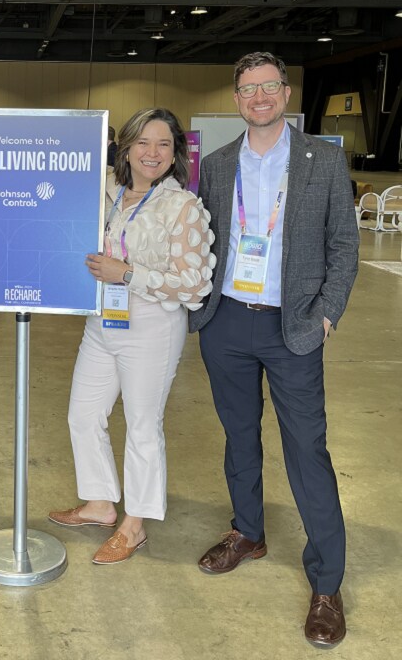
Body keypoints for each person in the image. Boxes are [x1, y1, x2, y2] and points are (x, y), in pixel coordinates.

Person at [189, 52, 359, 648]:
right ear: (236, 98)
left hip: (295, 328)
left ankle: (327, 583)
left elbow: (345, 245)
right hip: (227, 321)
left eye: (268, 86)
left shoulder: (324, 160)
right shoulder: (217, 165)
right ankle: (248, 532)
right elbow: (202, 240)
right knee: (239, 436)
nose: (258, 97)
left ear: (286, 93)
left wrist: (326, 315)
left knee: (307, 449)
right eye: (247, 89)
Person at [49, 108, 215, 564]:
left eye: (163, 144)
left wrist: (127, 274)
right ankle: (100, 503)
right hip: (102, 320)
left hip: (152, 326)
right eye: (142, 142)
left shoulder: (183, 207)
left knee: (143, 426)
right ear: (125, 148)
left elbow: (194, 285)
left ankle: (134, 525)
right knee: (83, 414)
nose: (152, 153)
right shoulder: (105, 191)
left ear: (176, 154)